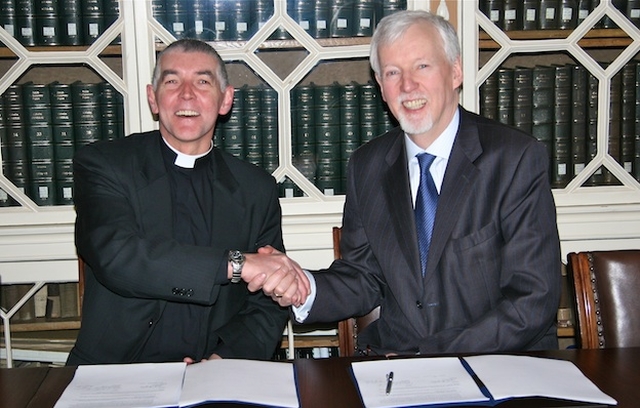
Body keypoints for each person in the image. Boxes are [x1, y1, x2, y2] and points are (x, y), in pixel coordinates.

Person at [280, 10, 561, 356]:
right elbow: (364, 278)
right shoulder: (366, 166)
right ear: (381, 87)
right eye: (392, 72)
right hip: (399, 370)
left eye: (422, 66)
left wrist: (433, 355)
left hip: (501, 364)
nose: (407, 86)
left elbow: (533, 298)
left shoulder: (514, 159)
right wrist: (304, 288)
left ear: (455, 71)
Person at [68, 39, 308, 365]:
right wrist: (237, 264)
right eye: (171, 81)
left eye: (203, 81)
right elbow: (118, 256)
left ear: (225, 100)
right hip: (120, 372)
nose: (186, 94)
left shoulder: (256, 188)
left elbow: (267, 301)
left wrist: (226, 360)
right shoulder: (104, 165)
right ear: (153, 98)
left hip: (216, 374)